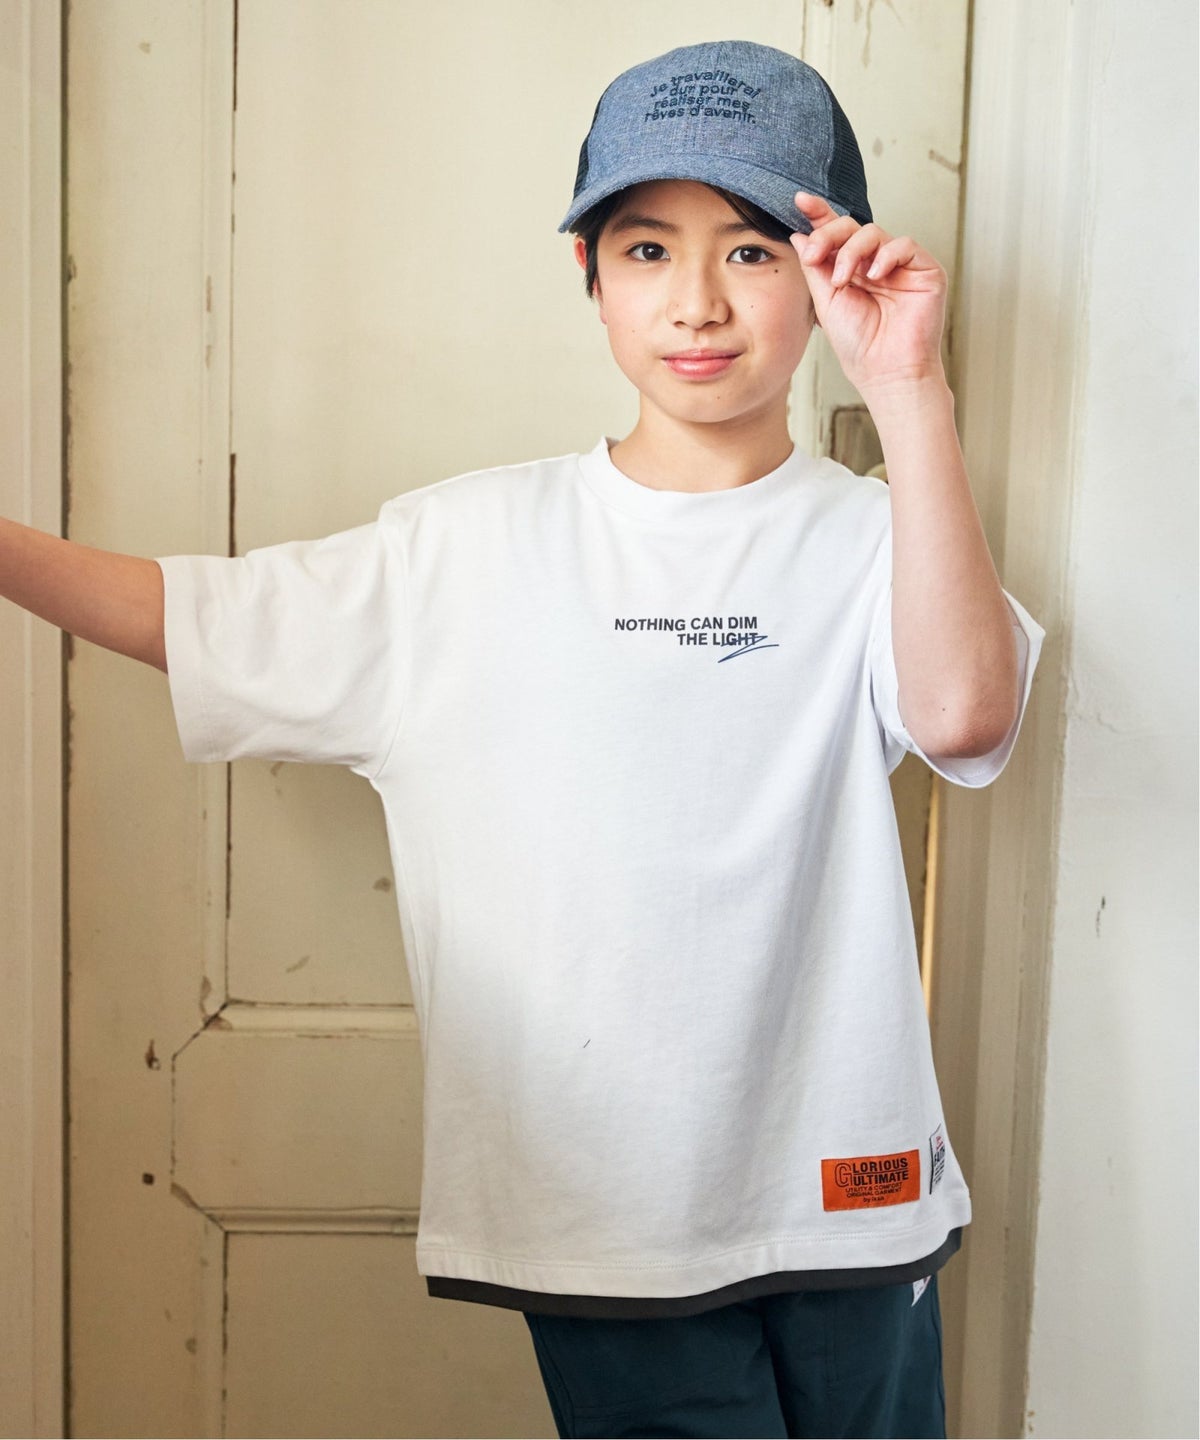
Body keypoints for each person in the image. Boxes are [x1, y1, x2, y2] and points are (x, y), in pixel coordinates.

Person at [1, 37, 1045, 1440]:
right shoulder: (465, 549)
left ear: (828, 273)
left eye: (752, 251)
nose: (697, 302)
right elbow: (191, 615)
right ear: (590, 276)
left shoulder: (880, 534)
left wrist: (912, 391)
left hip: (852, 1195)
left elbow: (966, 717)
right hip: (604, 1218)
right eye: (647, 248)